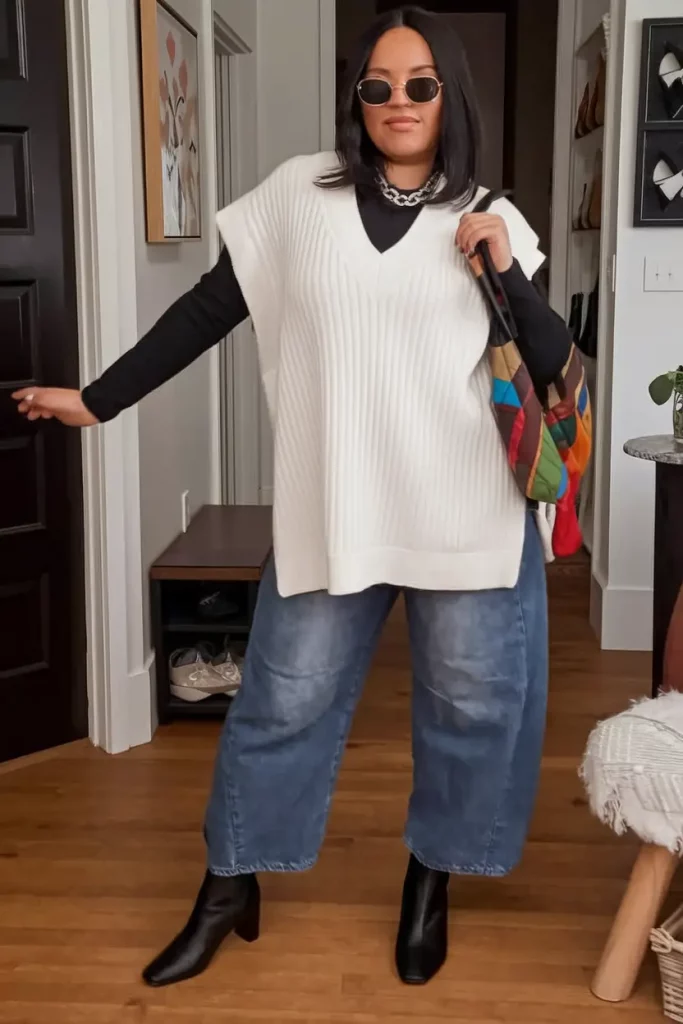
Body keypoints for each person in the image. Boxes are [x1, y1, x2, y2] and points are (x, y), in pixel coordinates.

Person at [13, 5, 571, 989]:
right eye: (377, 86)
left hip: (466, 512)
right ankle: (229, 885)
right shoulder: (299, 195)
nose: (397, 102)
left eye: (419, 85)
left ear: (450, 95)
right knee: (280, 702)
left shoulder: (491, 214)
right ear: (356, 98)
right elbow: (207, 308)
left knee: (471, 710)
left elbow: (554, 360)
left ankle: (430, 878)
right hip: (335, 506)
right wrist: (100, 400)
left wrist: (498, 263)